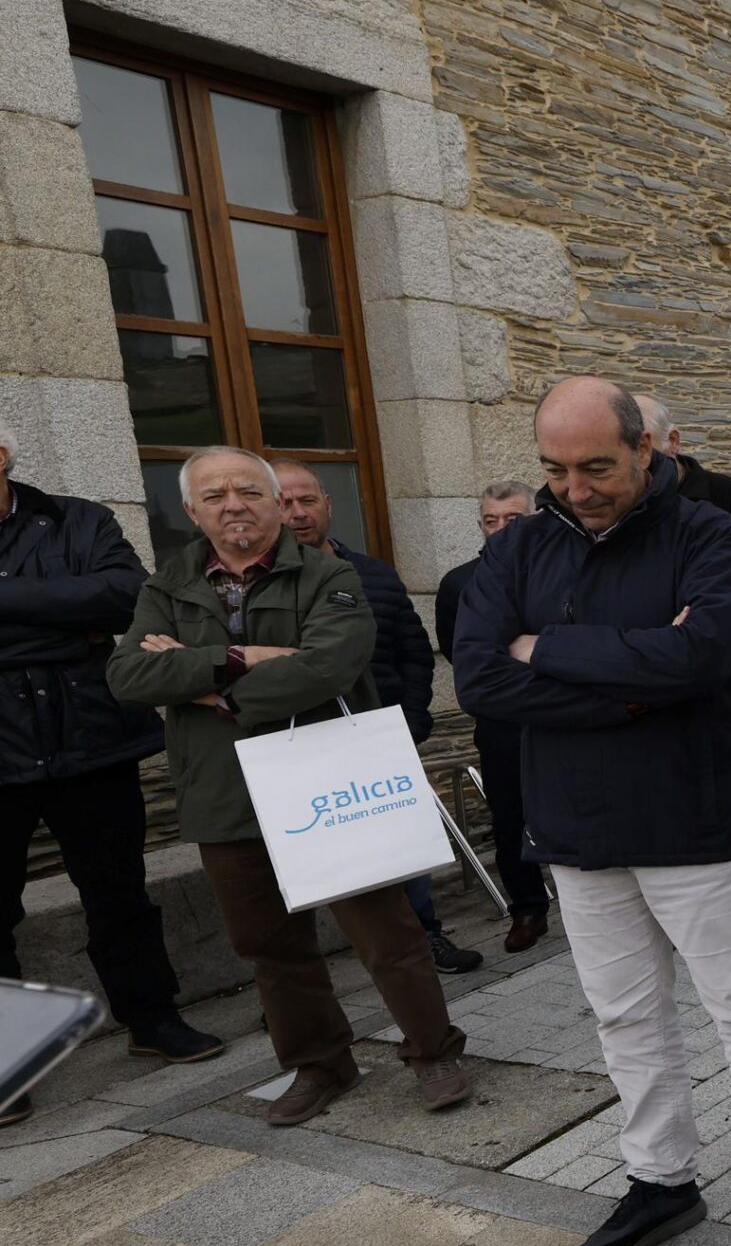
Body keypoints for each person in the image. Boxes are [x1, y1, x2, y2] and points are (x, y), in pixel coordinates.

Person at [454, 378, 731, 1246]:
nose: (574, 488)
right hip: (577, 828)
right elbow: (478, 679)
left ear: (646, 451)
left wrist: (544, 650)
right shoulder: (517, 551)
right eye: (555, 468)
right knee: (625, 1016)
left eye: (596, 467)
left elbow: (705, 653)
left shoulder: (708, 530)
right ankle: (661, 1176)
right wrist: (636, 687)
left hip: (695, 819)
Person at [107, 447, 469, 1127]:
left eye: (249, 489)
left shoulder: (329, 574)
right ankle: (320, 1063)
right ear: (191, 510)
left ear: (277, 502)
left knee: (386, 934)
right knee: (270, 945)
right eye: (214, 495)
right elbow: (129, 677)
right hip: (225, 790)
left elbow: (329, 665)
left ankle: (433, 1051)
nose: (233, 504)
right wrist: (243, 657)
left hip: (325, 781)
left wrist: (206, 685)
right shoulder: (169, 583)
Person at [0, 425, 223, 1127]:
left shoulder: (78, 518)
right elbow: (90, 610)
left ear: (3, 454)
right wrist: (70, 624)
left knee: (118, 891)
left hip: (91, 741)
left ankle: (151, 1017)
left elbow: (126, 594)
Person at [272, 460, 482, 977]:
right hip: (300, 747)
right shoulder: (260, 586)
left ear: (328, 504)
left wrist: (410, 720)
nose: (297, 513)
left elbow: (414, 651)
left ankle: (424, 938)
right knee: (309, 859)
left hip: (381, 738)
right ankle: (304, 983)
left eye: (307, 501)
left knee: (403, 849)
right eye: (283, 503)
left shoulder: (374, 574)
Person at [633, 395, 731, 945]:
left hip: (722, 677)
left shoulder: (725, 499)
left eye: (643, 445)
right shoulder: (618, 507)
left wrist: (714, 640)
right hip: (640, 679)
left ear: (670, 443)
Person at [435, 481, 548, 953]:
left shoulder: (566, 571)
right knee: (509, 818)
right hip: (503, 723)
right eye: (490, 520)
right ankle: (527, 908)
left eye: (514, 520)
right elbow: (461, 655)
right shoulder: (460, 584)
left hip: (566, 716)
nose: (501, 530)